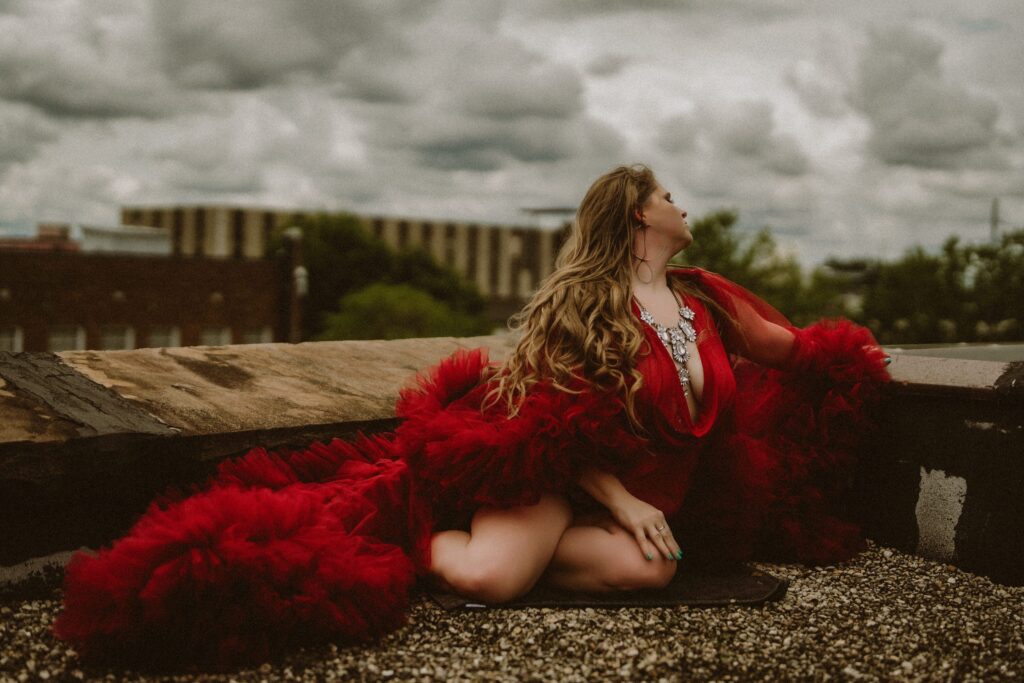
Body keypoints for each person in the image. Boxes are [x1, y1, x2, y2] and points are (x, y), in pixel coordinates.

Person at [54, 165, 889, 668]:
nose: (683, 204)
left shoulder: (705, 297)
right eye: (670, 194)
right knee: (488, 579)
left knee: (651, 573)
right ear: (639, 214)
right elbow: (557, 427)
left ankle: (518, 548)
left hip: (644, 495)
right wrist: (626, 500)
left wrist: (854, 366)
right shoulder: (582, 305)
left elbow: (790, 350)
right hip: (562, 476)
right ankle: (425, 530)